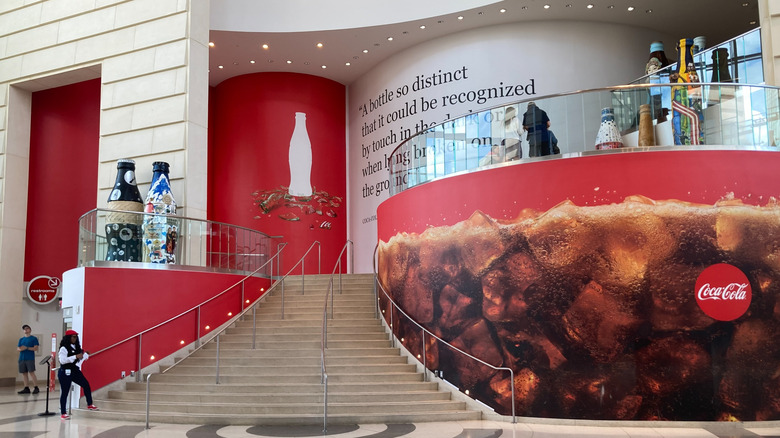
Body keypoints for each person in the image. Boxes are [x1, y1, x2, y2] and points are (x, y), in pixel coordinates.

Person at [58, 330, 99, 420]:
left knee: (86, 384)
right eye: (73, 337)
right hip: (65, 371)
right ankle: (63, 413)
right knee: (65, 392)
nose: (75, 338)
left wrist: (85, 355)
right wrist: (75, 356)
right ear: (69, 337)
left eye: (76, 337)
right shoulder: (63, 348)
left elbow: (79, 360)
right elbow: (62, 360)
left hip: (75, 370)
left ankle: (90, 404)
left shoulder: (77, 347)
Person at [17, 324, 40, 394]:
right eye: (24, 329)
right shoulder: (21, 339)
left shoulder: (34, 338)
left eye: (27, 328)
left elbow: (35, 348)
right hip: (22, 358)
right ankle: (26, 387)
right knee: (24, 373)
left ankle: (36, 387)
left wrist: (26, 348)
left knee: (31, 372)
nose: (25, 330)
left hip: (30, 358)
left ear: (30, 330)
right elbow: (18, 348)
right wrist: (21, 349)